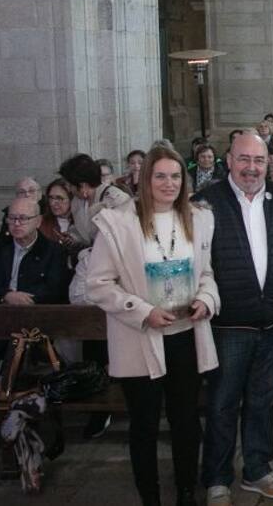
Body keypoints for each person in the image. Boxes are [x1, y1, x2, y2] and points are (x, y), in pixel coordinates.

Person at [85, 147, 219, 506]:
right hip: (140, 338)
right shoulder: (118, 223)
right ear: (144, 180)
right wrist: (142, 310)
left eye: (175, 176)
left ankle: (187, 491)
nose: (169, 183)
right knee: (144, 426)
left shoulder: (197, 218)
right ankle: (151, 497)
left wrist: (205, 298)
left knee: (186, 422)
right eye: (160, 175)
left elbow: (206, 272)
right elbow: (97, 284)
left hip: (185, 335)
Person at [196, 131, 273, 505]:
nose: (251, 168)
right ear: (229, 160)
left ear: (268, 163)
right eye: (244, 159)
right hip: (228, 325)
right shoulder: (205, 203)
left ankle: (257, 468)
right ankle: (218, 476)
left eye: (259, 160)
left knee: (264, 398)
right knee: (223, 402)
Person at [0, 197, 70, 306]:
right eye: (12, 218)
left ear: (38, 221)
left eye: (23, 218)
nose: (17, 223)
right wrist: (5, 296)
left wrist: (23, 300)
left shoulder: (54, 251)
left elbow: (55, 290)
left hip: (36, 314)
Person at [59, 153, 134, 247]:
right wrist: (72, 238)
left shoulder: (117, 199)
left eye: (70, 185)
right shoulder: (76, 201)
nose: (68, 189)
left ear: (83, 185)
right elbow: (83, 234)